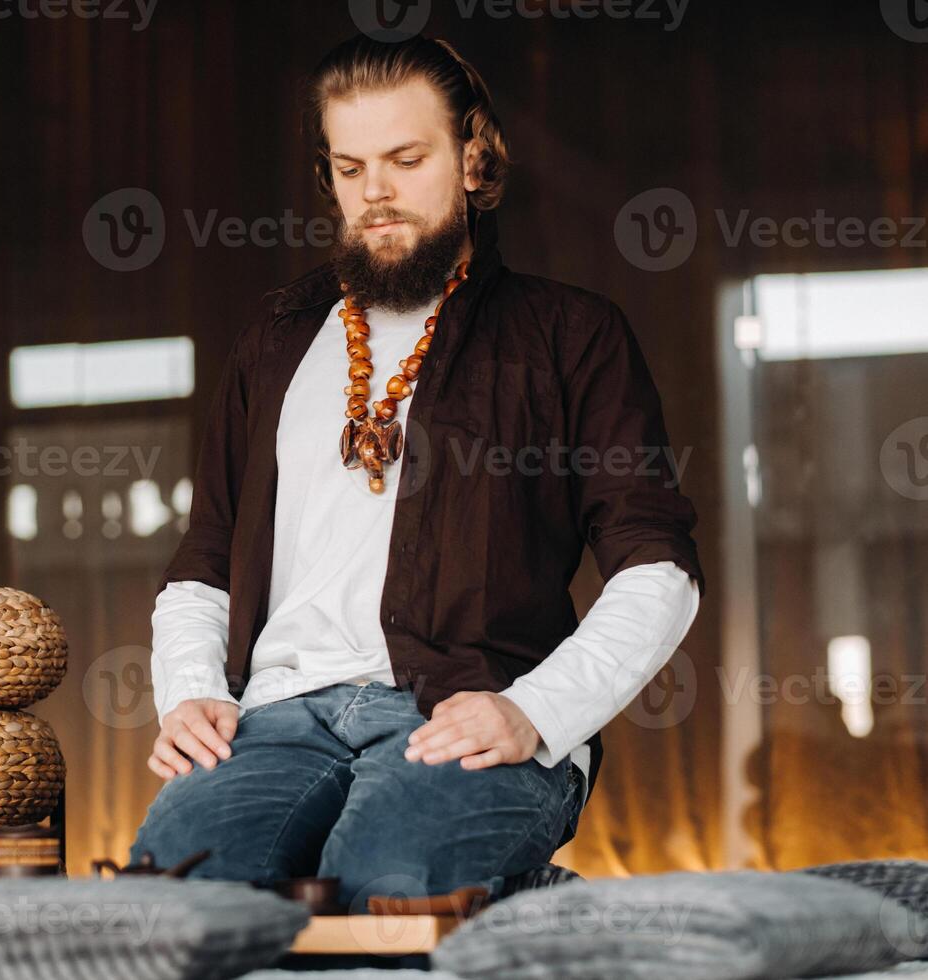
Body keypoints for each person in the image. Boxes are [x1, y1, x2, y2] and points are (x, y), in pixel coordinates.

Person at [131, 33, 704, 912]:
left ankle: (506, 902)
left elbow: (657, 568)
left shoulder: (571, 335)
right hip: (277, 720)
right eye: (351, 167)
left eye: (406, 159)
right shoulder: (274, 340)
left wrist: (537, 712)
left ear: (474, 159)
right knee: (176, 892)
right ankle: (511, 902)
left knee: (382, 888)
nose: (377, 194)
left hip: (466, 713)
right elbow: (204, 557)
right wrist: (192, 694)